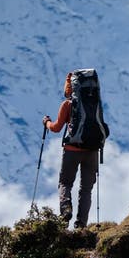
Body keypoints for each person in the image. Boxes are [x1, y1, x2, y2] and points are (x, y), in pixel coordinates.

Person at [43, 72, 99, 229]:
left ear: (70, 88)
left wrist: (46, 122)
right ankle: (81, 226)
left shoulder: (68, 105)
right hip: (92, 151)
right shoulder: (95, 102)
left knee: (65, 183)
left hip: (71, 151)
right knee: (86, 190)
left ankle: (66, 209)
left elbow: (56, 128)